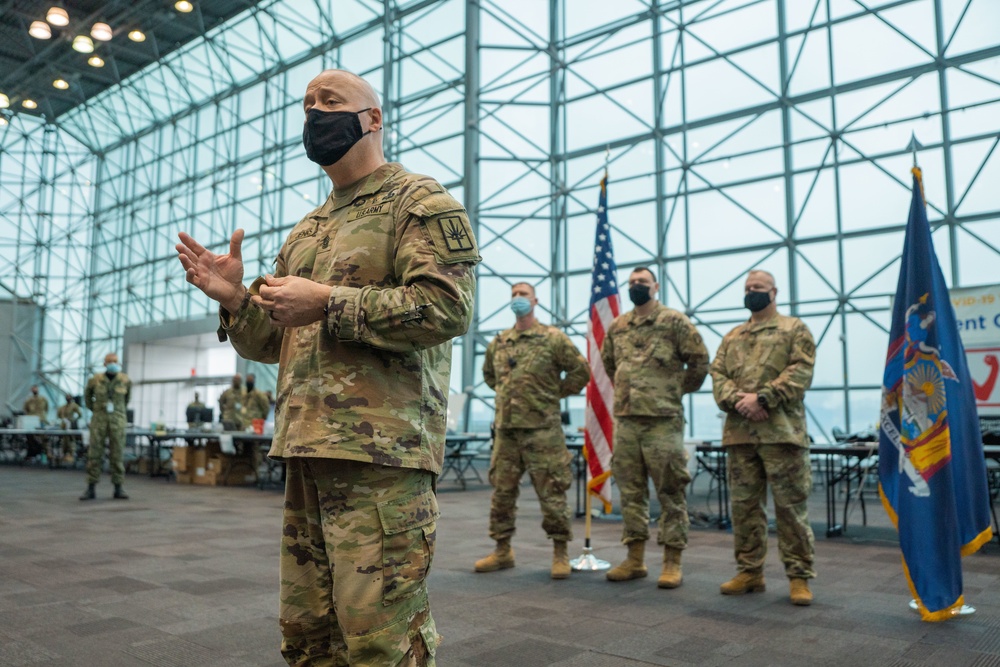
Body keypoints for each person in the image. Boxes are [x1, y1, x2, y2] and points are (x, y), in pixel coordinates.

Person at [175, 69, 479, 665]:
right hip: (308, 452)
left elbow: (446, 308)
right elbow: (273, 341)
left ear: (374, 118)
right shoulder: (308, 229)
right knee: (310, 636)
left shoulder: (417, 201)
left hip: (381, 458)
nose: (315, 111)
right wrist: (236, 299)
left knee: (379, 638)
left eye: (331, 100)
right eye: (308, 103)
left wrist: (328, 302)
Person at [710, 269, 817, 606]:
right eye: (747, 288)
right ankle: (750, 571)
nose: (752, 292)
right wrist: (742, 403)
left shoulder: (794, 329)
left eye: (758, 287)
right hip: (741, 436)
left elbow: (800, 371)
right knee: (744, 509)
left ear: (774, 292)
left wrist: (763, 398)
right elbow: (718, 375)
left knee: (790, 508)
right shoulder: (732, 336)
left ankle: (799, 576)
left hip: (782, 434)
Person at [601, 267, 708, 587]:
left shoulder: (674, 322)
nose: (636, 287)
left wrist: (674, 390)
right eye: (632, 283)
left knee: (670, 490)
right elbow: (609, 364)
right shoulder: (618, 326)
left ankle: (672, 560)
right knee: (631, 493)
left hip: (663, 421)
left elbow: (700, 362)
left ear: (656, 287)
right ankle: (634, 558)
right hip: (628, 421)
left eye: (642, 283)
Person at [474, 282, 589, 579]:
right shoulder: (500, 342)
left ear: (535, 300)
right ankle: (502, 550)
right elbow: (489, 376)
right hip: (507, 430)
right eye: (514, 295)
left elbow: (581, 371)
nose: (518, 299)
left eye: (523, 294)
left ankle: (560, 552)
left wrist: (553, 394)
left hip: (542, 429)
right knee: (502, 492)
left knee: (552, 491)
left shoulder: (553, 338)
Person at [80, 353, 131, 500]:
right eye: (109, 361)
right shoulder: (95, 380)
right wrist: (96, 410)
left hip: (117, 421)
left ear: (118, 363)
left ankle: (118, 488)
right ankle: (90, 487)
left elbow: (126, 400)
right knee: (94, 453)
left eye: (115, 361)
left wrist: (118, 412)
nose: (112, 363)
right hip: (99, 421)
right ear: (104, 364)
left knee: (117, 454)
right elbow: (88, 398)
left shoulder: (125, 380)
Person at [22, 385, 50, 462]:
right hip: (31, 420)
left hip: (41, 420)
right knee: (30, 437)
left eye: (36, 388)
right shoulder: (28, 400)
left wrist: (43, 416)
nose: (35, 390)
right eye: (33, 389)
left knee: (43, 437)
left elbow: (47, 408)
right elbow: (25, 409)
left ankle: (45, 454)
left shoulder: (43, 399)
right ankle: (32, 453)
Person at [56, 394, 83, 464]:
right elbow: (59, 415)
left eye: (69, 397)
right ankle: (63, 457)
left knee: (71, 442)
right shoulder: (63, 407)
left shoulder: (74, 406)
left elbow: (80, 414)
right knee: (63, 443)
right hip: (63, 427)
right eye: (67, 397)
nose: (68, 398)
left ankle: (72, 456)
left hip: (71, 427)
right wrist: (63, 419)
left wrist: (74, 420)